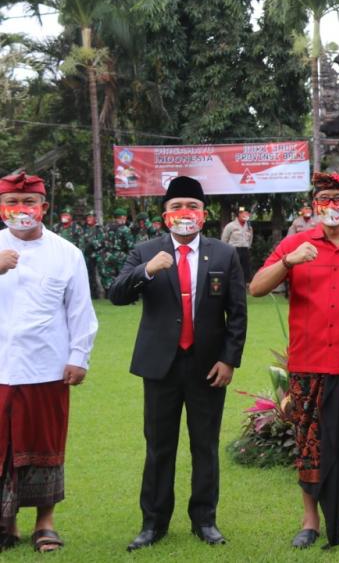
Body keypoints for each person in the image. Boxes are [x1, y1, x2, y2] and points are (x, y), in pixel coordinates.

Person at [250, 171, 339, 550]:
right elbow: (257, 288)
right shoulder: (296, 243)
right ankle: (310, 520)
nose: (332, 206)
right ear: (315, 205)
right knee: (309, 442)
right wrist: (289, 262)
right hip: (308, 361)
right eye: (325, 199)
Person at [108, 176, 248, 552]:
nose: (184, 214)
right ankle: (153, 523)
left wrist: (229, 360)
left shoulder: (223, 254)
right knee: (159, 447)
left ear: (204, 214)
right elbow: (116, 294)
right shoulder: (145, 251)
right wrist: (148, 270)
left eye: (192, 207)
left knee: (205, 446)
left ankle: (205, 520)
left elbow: (237, 313)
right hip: (161, 367)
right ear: (164, 214)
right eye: (176, 207)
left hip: (207, 367)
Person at [0, 173, 98, 553]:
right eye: (12, 201)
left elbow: (80, 311)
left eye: (28, 202)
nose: (20, 210)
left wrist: (79, 357)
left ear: (44, 208)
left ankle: (45, 523)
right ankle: (5, 525)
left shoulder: (66, 253)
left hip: (45, 368)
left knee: (44, 446)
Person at [99, 208, 133, 294]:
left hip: (107, 255)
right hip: (120, 255)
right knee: (124, 275)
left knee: (109, 275)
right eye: (124, 218)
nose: (125, 220)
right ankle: (124, 293)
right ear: (121, 217)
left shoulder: (107, 227)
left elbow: (101, 241)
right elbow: (130, 245)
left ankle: (111, 293)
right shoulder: (125, 229)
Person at [221, 206, 253, 285]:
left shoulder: (249, 227)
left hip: (245, 250)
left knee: (245, 270)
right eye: (242, 213)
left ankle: (243, 286)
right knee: (234, 270)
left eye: (246, 213)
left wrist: (247, 247)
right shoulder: (230, 226)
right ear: (238, 215)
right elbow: (224, 240)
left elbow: (250, 239)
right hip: (234, 250)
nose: (245, 215)